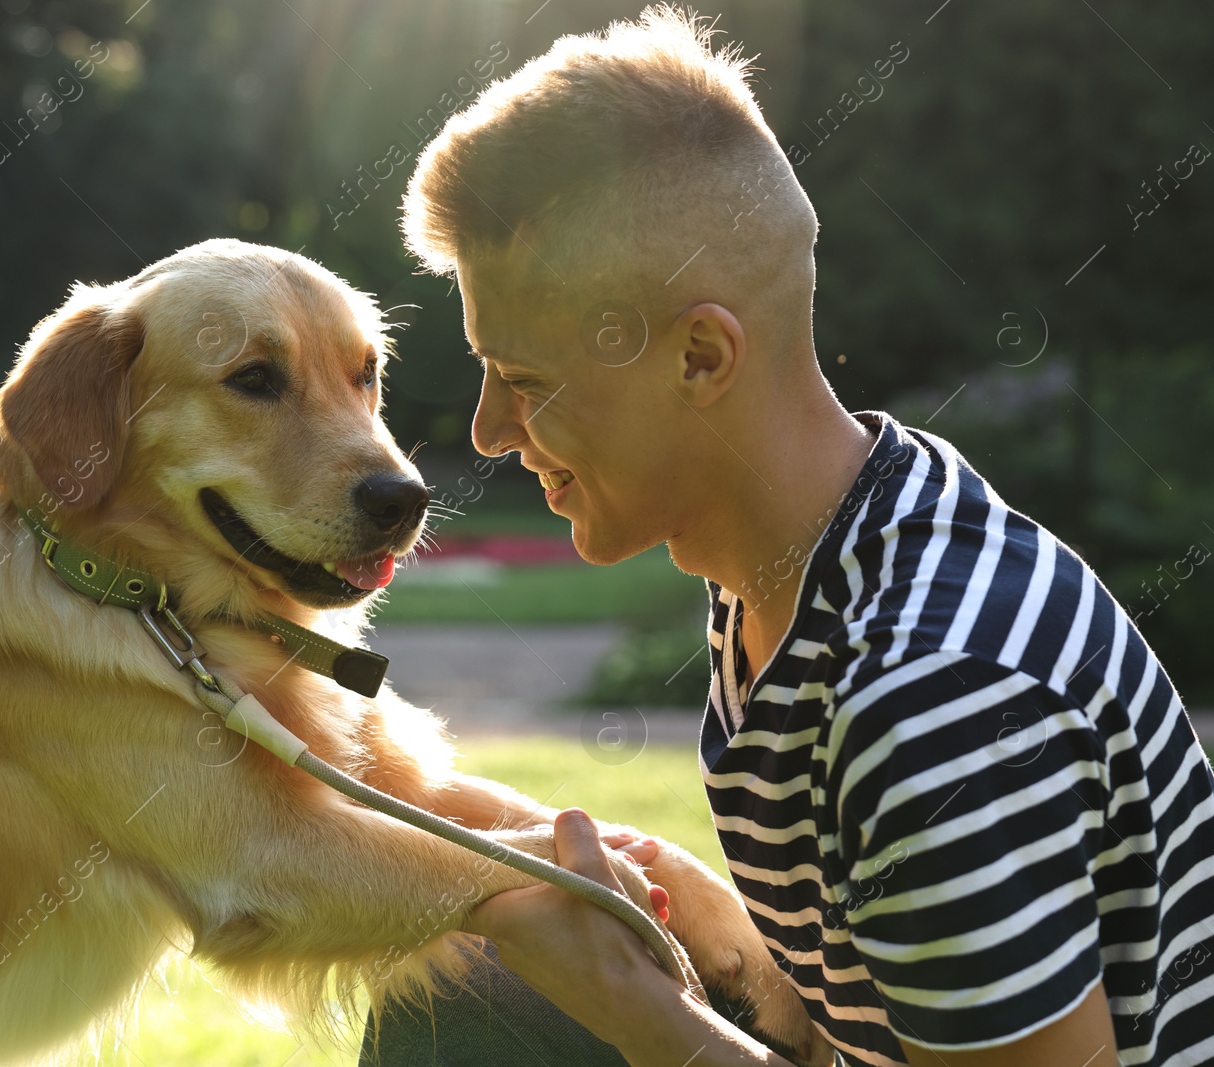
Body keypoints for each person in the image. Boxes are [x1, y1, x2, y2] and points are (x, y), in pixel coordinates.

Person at [362, 7, 1214, 1067]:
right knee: (467, 988)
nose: (490, 430)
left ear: (702, 357)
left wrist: (646, 1016)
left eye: (525, 380)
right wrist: (715, 932)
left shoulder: (925, 692)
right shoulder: (813, 558)